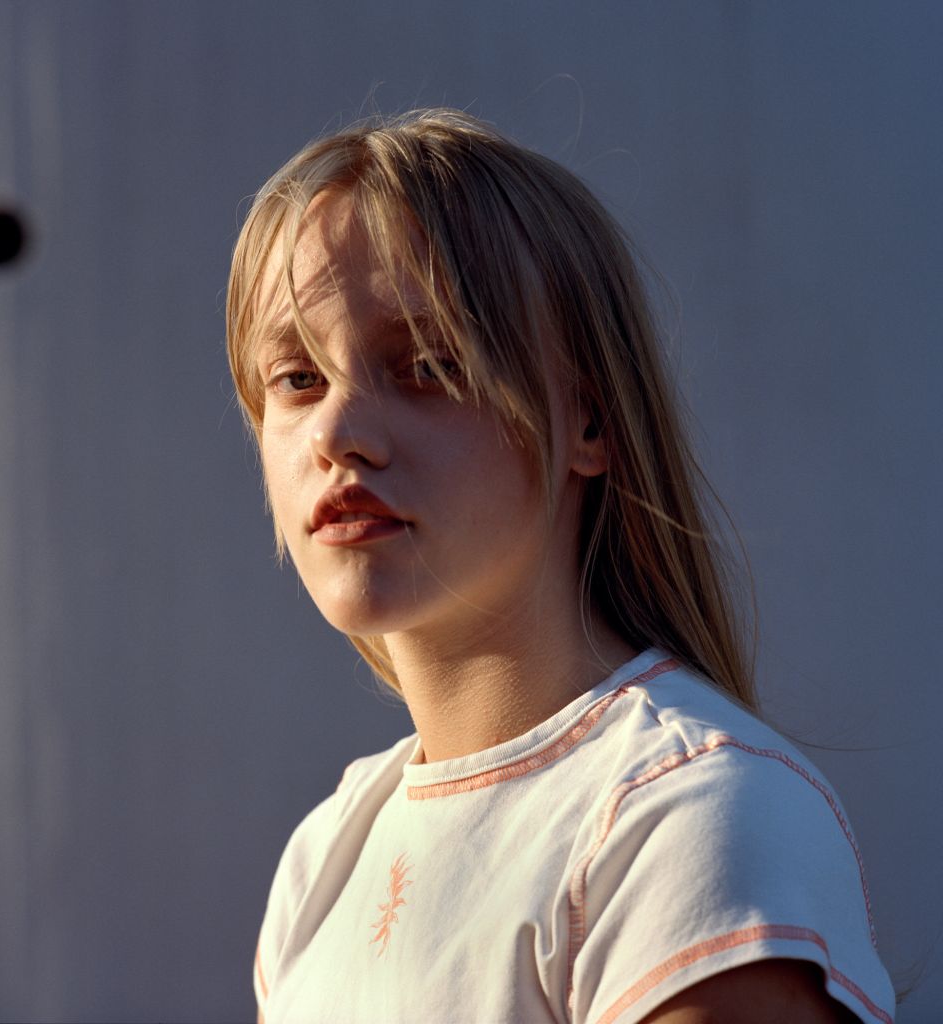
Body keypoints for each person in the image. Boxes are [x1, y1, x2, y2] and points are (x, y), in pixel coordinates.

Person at [225, 109, 895, 1024]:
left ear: (589, 422)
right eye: (297, 379)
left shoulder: (686, 822)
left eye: (426, 363)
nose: (337, 435)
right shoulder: (327, 857)